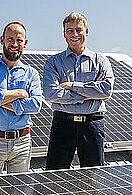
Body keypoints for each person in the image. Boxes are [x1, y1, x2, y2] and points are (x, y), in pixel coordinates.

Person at [43, 12, 114, 169]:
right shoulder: (53, 62)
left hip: (92, 125)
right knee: (55, 177)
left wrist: (72, 85)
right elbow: (50, 93)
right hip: (63, 124)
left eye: (78, 29)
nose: (74, 34)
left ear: (86, 32)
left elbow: (106, 90)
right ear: (64, 34)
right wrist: (87, 95)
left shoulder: (101, 61)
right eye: (70, 30)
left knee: (93, 176)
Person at [0, 21, 43, 176]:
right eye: (10, 39)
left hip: (22, 143)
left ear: (25, 43)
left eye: (19, 40)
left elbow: (35, 105)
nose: (14, 44)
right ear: (2, 40)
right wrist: (20, 93)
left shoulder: (31, 73)